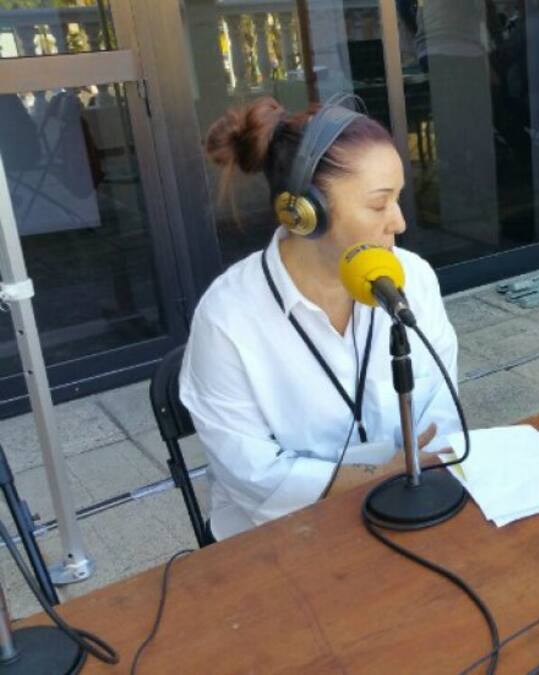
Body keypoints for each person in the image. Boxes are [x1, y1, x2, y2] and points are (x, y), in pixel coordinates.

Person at [182, 97, 460, 541]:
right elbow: (253, 476)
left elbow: (440, 415)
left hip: (408, 508)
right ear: (305, 213)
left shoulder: (413, 278)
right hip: (282, 538)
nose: (399, 222)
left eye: (398, 198)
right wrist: (381, 477)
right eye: (379, 205)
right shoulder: (227, 319)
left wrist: (407, 476)